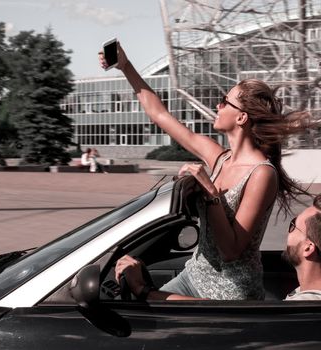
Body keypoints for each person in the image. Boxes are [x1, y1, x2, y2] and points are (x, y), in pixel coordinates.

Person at [101, 41, 309, 300]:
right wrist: (126, 66)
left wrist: (210, 192)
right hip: (193, 275)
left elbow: (232, 250)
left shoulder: (262, 175)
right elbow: (160, 115)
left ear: (242, 117)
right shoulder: (220, 158)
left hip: (229, 294)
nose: (218, 106)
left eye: (225, 102)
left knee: (140, 307)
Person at [115, 191, 321, 302]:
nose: (289, 227)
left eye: (294, 225)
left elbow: (222, 313)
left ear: (309, 248)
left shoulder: (306, 311)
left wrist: (144, 291)